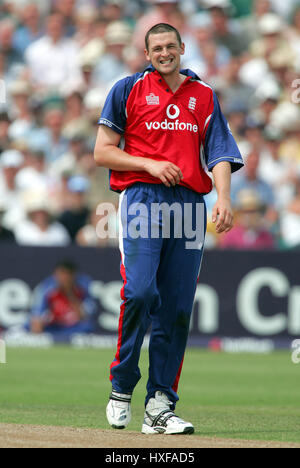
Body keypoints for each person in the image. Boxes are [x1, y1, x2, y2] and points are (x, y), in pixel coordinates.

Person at [94, 23, 243, 434]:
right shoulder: (127, 90)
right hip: (142, 199)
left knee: (177, 309)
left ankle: (160, 405)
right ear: (147, 53)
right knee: (140, 291)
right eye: (156, 48)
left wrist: (225, 199)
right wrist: (149, 164)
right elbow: (102, 151)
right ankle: (122, 384)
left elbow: (220, 152)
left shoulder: (204, 95)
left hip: (190, 207)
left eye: (170, 46)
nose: (164, 53)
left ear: (182, 48)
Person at [30, 260, 96, 338]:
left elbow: (83, 316)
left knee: (87, 327)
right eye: (59, 274)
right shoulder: (47, 287)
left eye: (65, 275)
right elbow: (37, 314)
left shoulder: (83, 286)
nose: (62, 278)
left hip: (73, 327)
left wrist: (69, 293)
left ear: (72, 276)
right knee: (29, 324)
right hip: (53, 325)